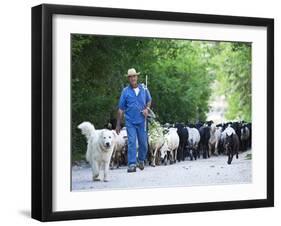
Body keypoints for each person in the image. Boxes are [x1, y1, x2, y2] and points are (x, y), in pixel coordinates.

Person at [116, 68, 152, 173]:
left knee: (144, 143)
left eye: (134, 76)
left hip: (142, 121)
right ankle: (131, 164)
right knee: (131, 142)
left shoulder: (144, 89)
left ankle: (140, 160)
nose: (133, 78)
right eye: (130, 77)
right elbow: (121, 109)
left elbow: (149, 100)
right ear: (128, 78)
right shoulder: (125, 91)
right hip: (130, 121)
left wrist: (146, 109)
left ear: (137, 77)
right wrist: (118, 124)